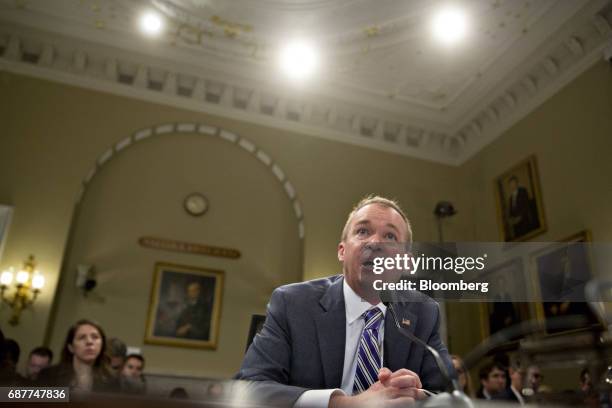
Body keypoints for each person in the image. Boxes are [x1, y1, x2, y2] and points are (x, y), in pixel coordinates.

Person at [236, 195, 452, 407]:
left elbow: (449, 395)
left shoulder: (424, 312)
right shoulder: (292, 303)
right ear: (342, 250)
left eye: (390, 237)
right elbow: (250, 387)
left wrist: (414, 395)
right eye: (363, 231)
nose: (375, 242)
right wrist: (344, 404)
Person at [37, 319, 117, 393]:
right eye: (82, 338)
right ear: (71, 347)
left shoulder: (114, 380)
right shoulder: (49, 375)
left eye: (95, 337)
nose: (89, 342)